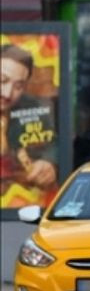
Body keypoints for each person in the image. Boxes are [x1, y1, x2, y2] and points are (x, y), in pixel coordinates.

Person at [1, 43, 58, 205]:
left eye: (18, 86)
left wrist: (50, 163)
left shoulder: (32, 107)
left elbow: (54, 141)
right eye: (2, 80)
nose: (7, 93)